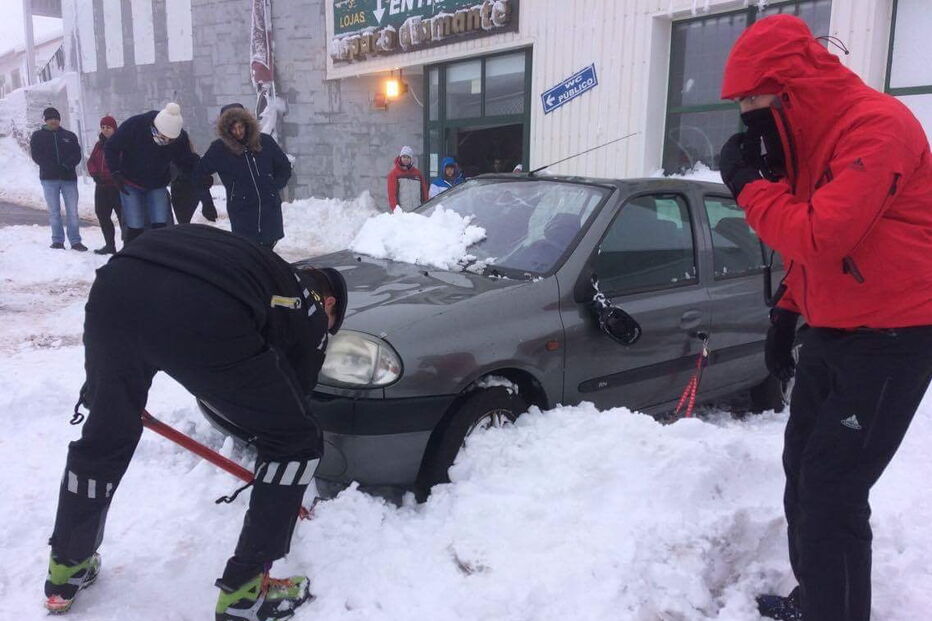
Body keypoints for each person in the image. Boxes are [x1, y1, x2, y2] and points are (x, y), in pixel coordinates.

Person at [717, 15, 932, 621]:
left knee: (833, 490)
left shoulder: (877, 126)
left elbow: (823, 235)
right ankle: (819, 598)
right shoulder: (807, 142)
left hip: (896, 336)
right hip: (834, 329)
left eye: (753, 98)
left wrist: (750, 188)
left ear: (790, 87)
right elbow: (810, 254)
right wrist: (786, 313)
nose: (746, 112)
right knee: (801, 470)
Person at [42, 224, 348, 620]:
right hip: (197, 306)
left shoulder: (261, 268)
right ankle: (246, 593)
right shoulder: (306, 301)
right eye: (333, 321)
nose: (328, 328)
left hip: (117, 285)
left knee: (106, 432)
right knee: (298, 441)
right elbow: (293, 400)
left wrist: (103, 392)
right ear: (328, 303)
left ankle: (67, 567)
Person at [196, 105, 291, 248]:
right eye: (233, 129)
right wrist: (207, 202)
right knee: (249, 251)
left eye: (241, 127)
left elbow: (284, 166)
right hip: (242, 210)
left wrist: (274, 186)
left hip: (269, 208)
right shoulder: (219, 150)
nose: (238, 132)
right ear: (226, 130)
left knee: (268, 251)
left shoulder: (264, 142)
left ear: (247, 124)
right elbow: (198, 174)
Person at [104, 102, 199, 243]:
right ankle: (133, 258)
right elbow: (111, 147)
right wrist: (115, 172)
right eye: (163, 137)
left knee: (160, 225)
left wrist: (200, 174)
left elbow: (185, 161)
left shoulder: (179, 138)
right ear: (156, 127)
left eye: (170, 140)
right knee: (135, 225)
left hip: (157, 183)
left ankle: (157, 256)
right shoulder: (135, 125)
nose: (166, 141)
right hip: (130, 182)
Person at [29, 107, 86, 251]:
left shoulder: (69, 136)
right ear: (45, 120)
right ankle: (57, 240)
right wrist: (51, 167)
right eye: (50, 118)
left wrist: (66, 166)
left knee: (72, 211)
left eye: (55, 118)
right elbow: (37, 155)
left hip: (69, 179)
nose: (53, 121)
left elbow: (76, 155)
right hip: (49, 179)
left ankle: (75, 241)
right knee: (54, 211)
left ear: (59, 120)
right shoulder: (37, 136)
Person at [86, 116, 124, 254]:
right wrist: (95, 174)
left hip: (117, 186)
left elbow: (123, 162)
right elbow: (91, 162)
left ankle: (128, 245)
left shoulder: (121, 144)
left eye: (108, 127)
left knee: (123, 216)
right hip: (101, 186)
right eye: (103, 127)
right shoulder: (99, 145)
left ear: (114, 128)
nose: (105, 130)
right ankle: (110, 244)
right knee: (102, 214)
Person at [169, 137, 218, 225]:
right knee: (184, 221)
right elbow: (201, 181)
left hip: (180, 191)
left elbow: (200, 180)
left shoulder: (173, 160)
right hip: (191, 191)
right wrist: (208, 203)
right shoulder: (194, 159)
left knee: (183, 221)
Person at [386, 145, 427, 212]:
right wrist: (397, 211)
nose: (406, 159)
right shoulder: (394, 174)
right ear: (400, 157)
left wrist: (425, 206)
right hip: (403, 214)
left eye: (408, 157)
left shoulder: (417, 173)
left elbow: (424, 192)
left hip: (418, 212)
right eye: (404, 157)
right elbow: (392, 195)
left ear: (411, 159)